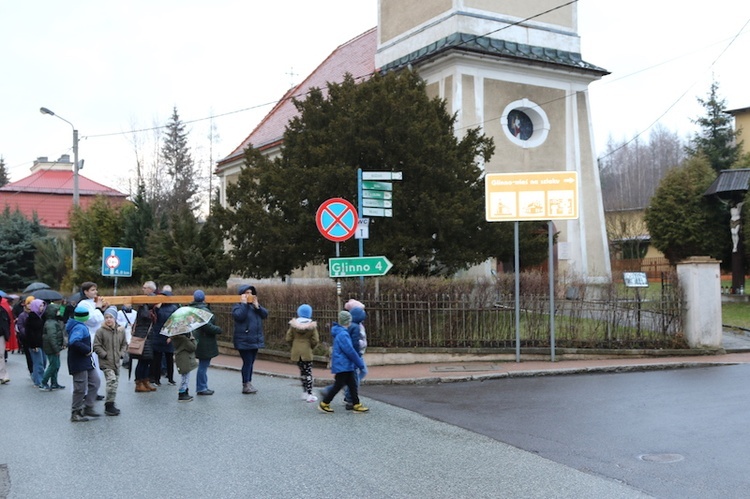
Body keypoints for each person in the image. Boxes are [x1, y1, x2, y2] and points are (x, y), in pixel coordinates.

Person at [318, 311, 368, 413]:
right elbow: (349, 350)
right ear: (347, 322)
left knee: (352, 384)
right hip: (343, 364)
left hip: (345, 364)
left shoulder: (341, 332)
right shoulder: (343, 334)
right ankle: (325, 403)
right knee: (338, 385)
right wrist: (359, 363)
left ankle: (356, 404)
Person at [66, 305, 102, 422]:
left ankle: (88, 407)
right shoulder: (79, 327)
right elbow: (73, 341)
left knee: (95, 381)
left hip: (85, 360)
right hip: (79, 360)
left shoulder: (78, 325)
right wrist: (87, 350)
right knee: (80, 387)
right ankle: (75, 412)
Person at [232, 285, 268, 394]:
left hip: (254, 339)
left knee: (251, 362)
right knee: (247, 362)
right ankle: (245, 384)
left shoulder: (254, 306)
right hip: (243, 339)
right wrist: (243, 304)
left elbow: (265, 315)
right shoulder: (237, 306)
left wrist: (258, 307)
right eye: (246, 292)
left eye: (251, 292)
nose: (249, 295)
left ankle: (249, 383)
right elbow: (239, 316)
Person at [93, 306, 127, 416]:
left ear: (115, 318)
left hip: (116, 361)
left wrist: (121, 354)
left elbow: (124, 344)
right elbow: (96, 346)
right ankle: (108, 406)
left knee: (115, 383)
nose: (108, 319)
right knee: (111, 381)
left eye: (111, 317)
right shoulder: (100, 331)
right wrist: (104, 354)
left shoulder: (120, 331)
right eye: (106, 317)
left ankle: (111, 402)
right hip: (106, 362)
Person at [77, 282, 108, 400]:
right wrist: (99, 308)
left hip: (97, 337)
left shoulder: (92, 303)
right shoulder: (83, 304)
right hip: (88, 337)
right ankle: (85, 392)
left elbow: (100, 319)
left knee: (96, 365)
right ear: (86, 292)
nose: (95, 292)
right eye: (92, 290)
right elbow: (91, 320)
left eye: (96, 290)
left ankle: (94, 390)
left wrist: (102, 309)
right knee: (88, 365)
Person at [191, 290, 222, 396]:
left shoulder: (193, 309)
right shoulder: (204, 310)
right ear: (204, 298)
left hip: (198, 338)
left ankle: (202, 386)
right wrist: (218, 329)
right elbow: (207, 326)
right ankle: (201, 387)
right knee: (203, 365)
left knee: (203, 365)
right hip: (205, 341)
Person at [286, 303, 319, 402]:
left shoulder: (293, 326)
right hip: (307, 351)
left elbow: (288, 338)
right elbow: (315, 340)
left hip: (296, 352)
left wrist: (294, 346)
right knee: (308, 372)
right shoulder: (312, 327)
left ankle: (304, 392)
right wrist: (310, 347)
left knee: (302, 371)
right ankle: (310, 393)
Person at [132, 281, 158, 393]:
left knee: (147, 361)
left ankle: (145, 381)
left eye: (145, 288)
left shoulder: (149, 306)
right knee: (142, 361)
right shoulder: (143, 305)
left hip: (148, 336)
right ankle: (139, 383)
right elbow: (144, 316)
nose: (143, 289)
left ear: (150, 290)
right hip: (142, 336)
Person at [150, 286, 177, 386]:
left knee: (169, 358)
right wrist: (156, 308)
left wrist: (172, 336)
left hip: (167, 334)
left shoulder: (173, 308)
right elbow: (153, 319)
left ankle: (170, 378)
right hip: (158, 334)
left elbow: (175, 322)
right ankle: (157, 379)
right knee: (157, 359)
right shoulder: (157, 307)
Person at [39, 302, 65, 391]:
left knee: (56, 365)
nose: (59, 312)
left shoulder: (52, 322)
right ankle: (43, 382)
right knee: (54, 365)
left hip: (53, 347)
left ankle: (54, 383)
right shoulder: (51, 323)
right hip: (52, 348)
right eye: (57, 311)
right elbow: (52, 337)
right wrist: (56, 348)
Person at [25, 299, 46, 388]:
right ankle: (39, 381)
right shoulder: (32, 318)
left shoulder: (40, 317)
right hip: (35, 345)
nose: (42, 308)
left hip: (42, 343)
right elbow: (29, 333)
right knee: (39, 363)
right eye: (40, 306)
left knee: (43, 362)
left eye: (42, 306)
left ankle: (36, 377)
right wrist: (33, 345)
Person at [172, 331, 198, 402]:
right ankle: (182, 393)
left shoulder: (175, 338)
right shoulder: (184, 339)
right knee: (185, 378)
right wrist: (192, 339)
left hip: (180, 359)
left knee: (184, 376)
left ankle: (185, 391)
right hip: (185, 359)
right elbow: (193, 347)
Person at [0, 295, 15, 384]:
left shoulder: (2, 310)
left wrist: (7, 334)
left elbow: (8, 322)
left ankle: (3, 375)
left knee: (1, 355)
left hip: (0, 335)